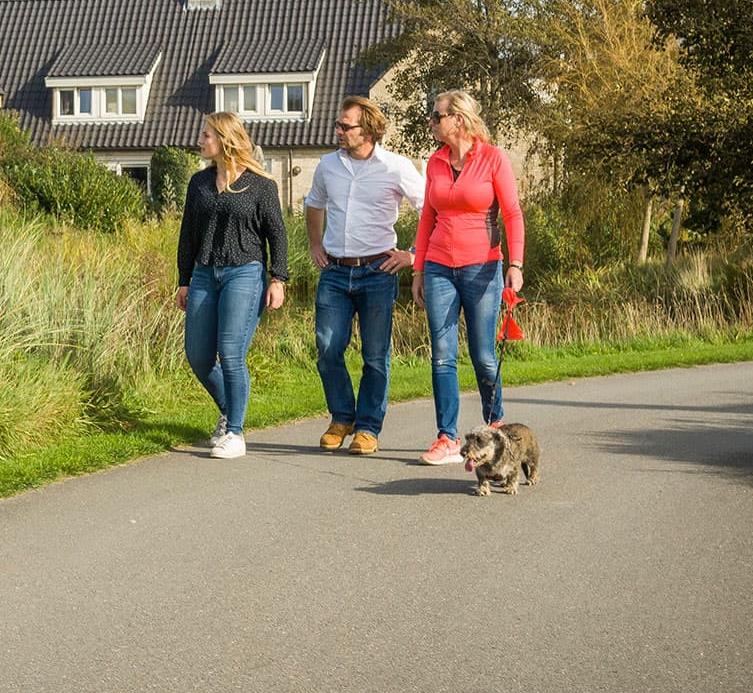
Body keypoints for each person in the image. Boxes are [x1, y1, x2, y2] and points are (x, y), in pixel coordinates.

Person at [410, 89, 525, 465]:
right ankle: (446, 438)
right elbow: (428, 216)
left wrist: (515, 265)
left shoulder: (492, 158)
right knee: (443, 355)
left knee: (483, 356)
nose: (431, 120)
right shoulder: (436, 162)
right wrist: (419, 268)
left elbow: (512, 214)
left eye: (436, 115)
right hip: (440, 266)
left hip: (483, 267)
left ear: (457, 119)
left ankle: (496, 426)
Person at [305, 96, 424, 455]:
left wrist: (413, 255)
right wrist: (314, 244)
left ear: (368, 130)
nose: (338, 131)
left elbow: (430, 208)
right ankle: (342, 417)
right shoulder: (327, 165)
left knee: (375, 354)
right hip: (336, 272)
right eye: (338, 125)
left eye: (346, 126)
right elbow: (314, 204)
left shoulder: (395, 167)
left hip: (378, 271)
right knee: (327, 348)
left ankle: (368, 428)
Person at [177, 112, 289, 459]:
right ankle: (229, 410)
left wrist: (278, 279)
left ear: (225, 140)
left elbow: (278, 235)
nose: (199, 140)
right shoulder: (198, 183)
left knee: (231, 353)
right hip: (205, 275)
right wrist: (183, 280)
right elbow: (188, 235)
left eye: (206, 135)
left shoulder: (261, 185)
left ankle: (236, 434)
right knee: (197, 356)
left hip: (245, 273)